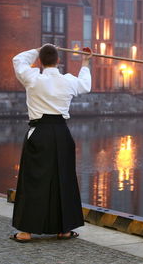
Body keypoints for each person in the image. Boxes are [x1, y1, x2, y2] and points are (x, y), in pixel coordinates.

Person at [10, 44, 92, 242]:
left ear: (40, 61)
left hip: (40, 133)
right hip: (62, 134)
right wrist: (85, 62)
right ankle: (63, 229)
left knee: (33, 180)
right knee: (63, 180)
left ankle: (26, 232)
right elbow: (85, 85)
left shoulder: (32, 78)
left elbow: (17, 60)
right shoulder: (68, 81)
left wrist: (37, 50)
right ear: (59, 60)